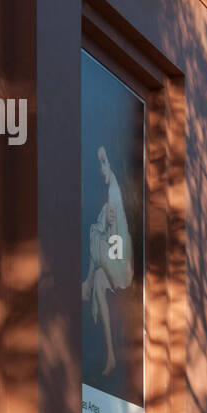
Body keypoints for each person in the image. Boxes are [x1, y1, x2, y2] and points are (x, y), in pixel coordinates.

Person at [81, 145, 134, 377]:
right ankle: (111, 355)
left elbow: (114, 242)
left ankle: (87, 283)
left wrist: (102, 232)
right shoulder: (110, 197)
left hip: (122, 264)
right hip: (117, 258)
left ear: (111, 164)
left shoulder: (114, 193)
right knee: (101, 279)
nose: (101, 168)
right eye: (99, 162)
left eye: (104, 161)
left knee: (97, 241)